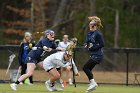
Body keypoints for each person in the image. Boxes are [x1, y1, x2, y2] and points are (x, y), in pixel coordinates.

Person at [83, 16, 104, 93]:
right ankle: (92, 84)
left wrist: (93, 47)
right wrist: (86, 45)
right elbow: (87, 42)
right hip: (93, 54)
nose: (90, 25)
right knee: (88, 69)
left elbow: (102, 44)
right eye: (90, 24)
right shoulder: (89, 34)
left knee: (85, 67)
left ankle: (93, 83)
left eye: (92, 24)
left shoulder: (98, 34)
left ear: (95, 25)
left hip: (98, 55)